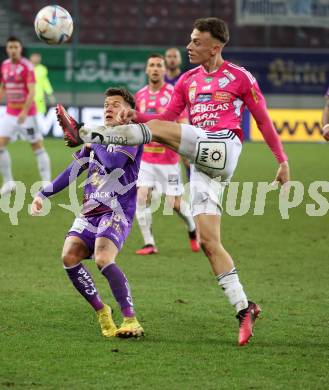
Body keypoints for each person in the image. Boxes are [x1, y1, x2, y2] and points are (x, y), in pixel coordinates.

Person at [57, 17, 290, 346]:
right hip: (201, 165)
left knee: (159, 134)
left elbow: (263, 118)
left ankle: (83, 133)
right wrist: (136, 116)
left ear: (215, 46)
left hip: (224, 146)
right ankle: (245, 308)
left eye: (196, 42)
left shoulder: (239, 77)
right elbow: (164, 120)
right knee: (209, 243)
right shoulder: (186, 81)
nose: (189, 46)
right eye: (190, 40)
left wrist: (282, 160)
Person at [32, 87, 144, 338]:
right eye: (106, 104)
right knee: (69, 257)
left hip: (117, 210)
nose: (108, 108)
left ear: (127, 111)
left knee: (104, 258)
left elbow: (114, 164)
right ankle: (102, 311)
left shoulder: (132, 135)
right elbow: (73, 169)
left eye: (115, 104)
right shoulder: (97, 137)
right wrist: (43, 194)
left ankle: (130, 319)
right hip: (91, 209)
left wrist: (93, 140)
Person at [135, 53, 199, 255]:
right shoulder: (140, 95)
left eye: (158, 65)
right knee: (141, 198)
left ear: (164, 70)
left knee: (175, 204)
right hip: (146, 159)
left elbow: (183, 123)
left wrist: (186, 150)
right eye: (151, 65)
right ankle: (149, 243)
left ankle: (193, 230)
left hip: (168, 160)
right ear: (147, 70)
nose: (154, 68)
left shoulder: (173, 93)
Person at [0, 37, 51, 195]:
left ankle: (46, 183)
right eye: (10, 47)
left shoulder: (27, 67)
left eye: (16, 47)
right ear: (7, 49)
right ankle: (9, 183)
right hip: (10, 113)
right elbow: (3, 87)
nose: (13, 49)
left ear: (20, 49)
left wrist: (24, 111)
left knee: (37, 146)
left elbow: (32, 92)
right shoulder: (5, 65)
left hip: (27, 115)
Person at [165, 47, 191, 179]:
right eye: (169, 56)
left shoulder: (186, 78)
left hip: (184, 122)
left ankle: (192, 188)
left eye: (175, 56)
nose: (172, 59)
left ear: (180, 60)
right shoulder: (160, 79)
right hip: (165, 123)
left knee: (187, 159)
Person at [29, 52, 56, 118]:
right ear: (30, 58)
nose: (35, 59)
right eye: (34, 57)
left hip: (40, 100)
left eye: (37, 57)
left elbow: (46, 83)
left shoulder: (43, 69)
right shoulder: (26, 68)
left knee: (40, 120)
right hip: (28, 99)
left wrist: (50, 95)